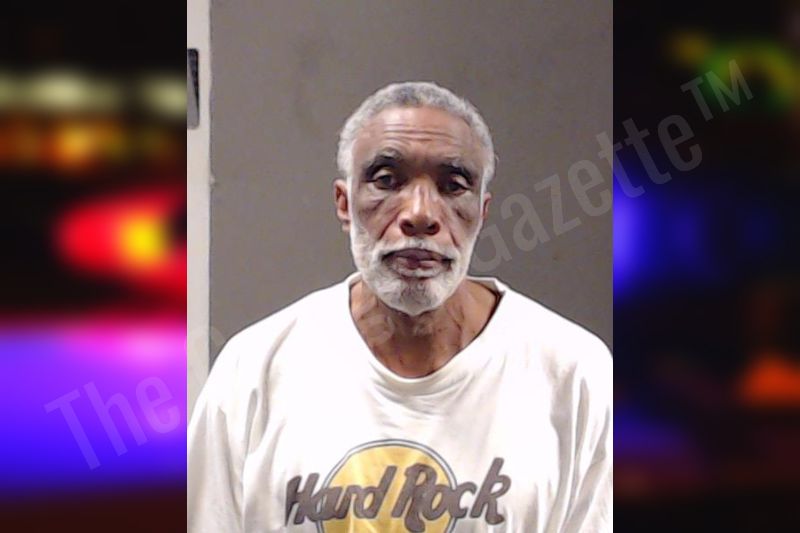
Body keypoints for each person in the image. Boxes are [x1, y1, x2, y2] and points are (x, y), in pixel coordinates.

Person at [188, 81, 612, 532]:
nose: (420, 214)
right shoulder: (254, 369)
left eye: (453, 186)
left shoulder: (572, 374)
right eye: (387, 181)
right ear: (344, 204)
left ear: (482, 212)